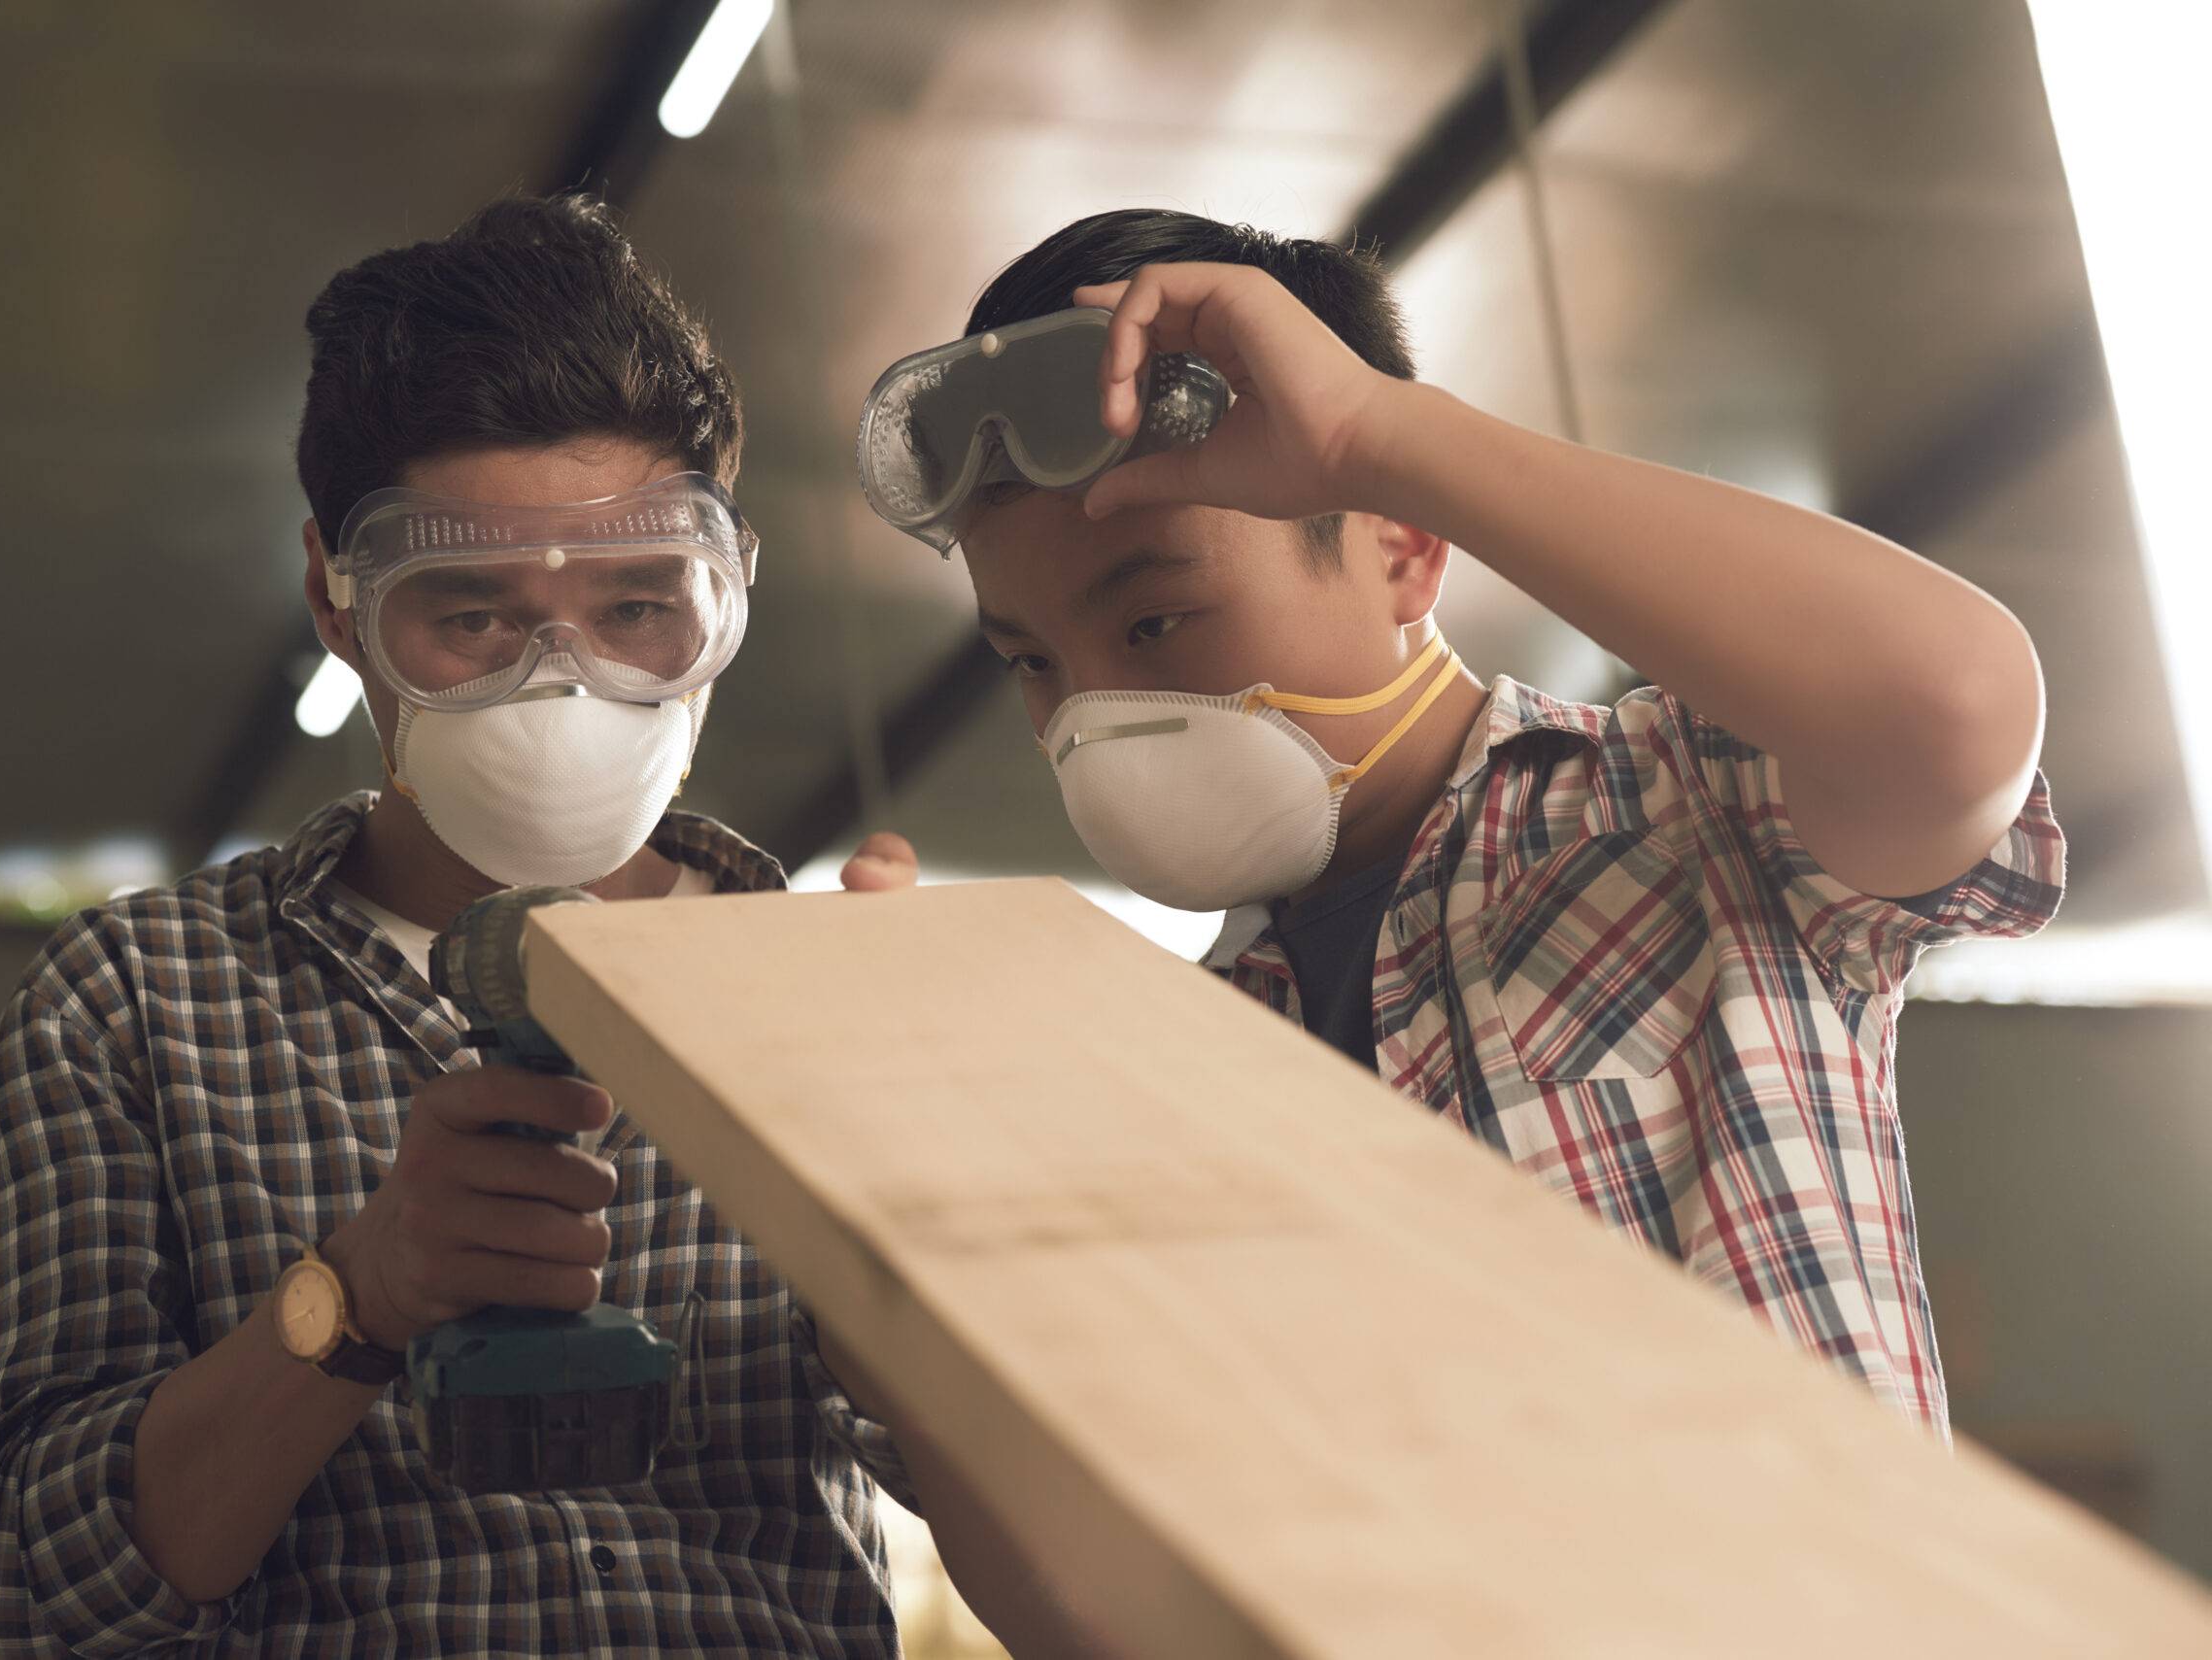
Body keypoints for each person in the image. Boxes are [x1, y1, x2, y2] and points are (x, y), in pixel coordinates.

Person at [858, 209, 2063, 1442]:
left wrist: (1373, 436)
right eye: (1031, 662)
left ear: (1403, 546)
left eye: (1155, 623)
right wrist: (923, 1142)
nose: (1094, 714)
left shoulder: (1681, 807)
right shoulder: (1170, 1067)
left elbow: (1953, 706)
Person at [0, 193, 933, 1656]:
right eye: (468, 617)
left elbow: (1079, 1553)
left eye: (640, 608)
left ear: (727, 600)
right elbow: (41, 1588)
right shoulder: (138, 1002)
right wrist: (354, 1297)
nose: (565, 677)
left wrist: (932, 1226)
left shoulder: (842, 998)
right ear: (337, 606)